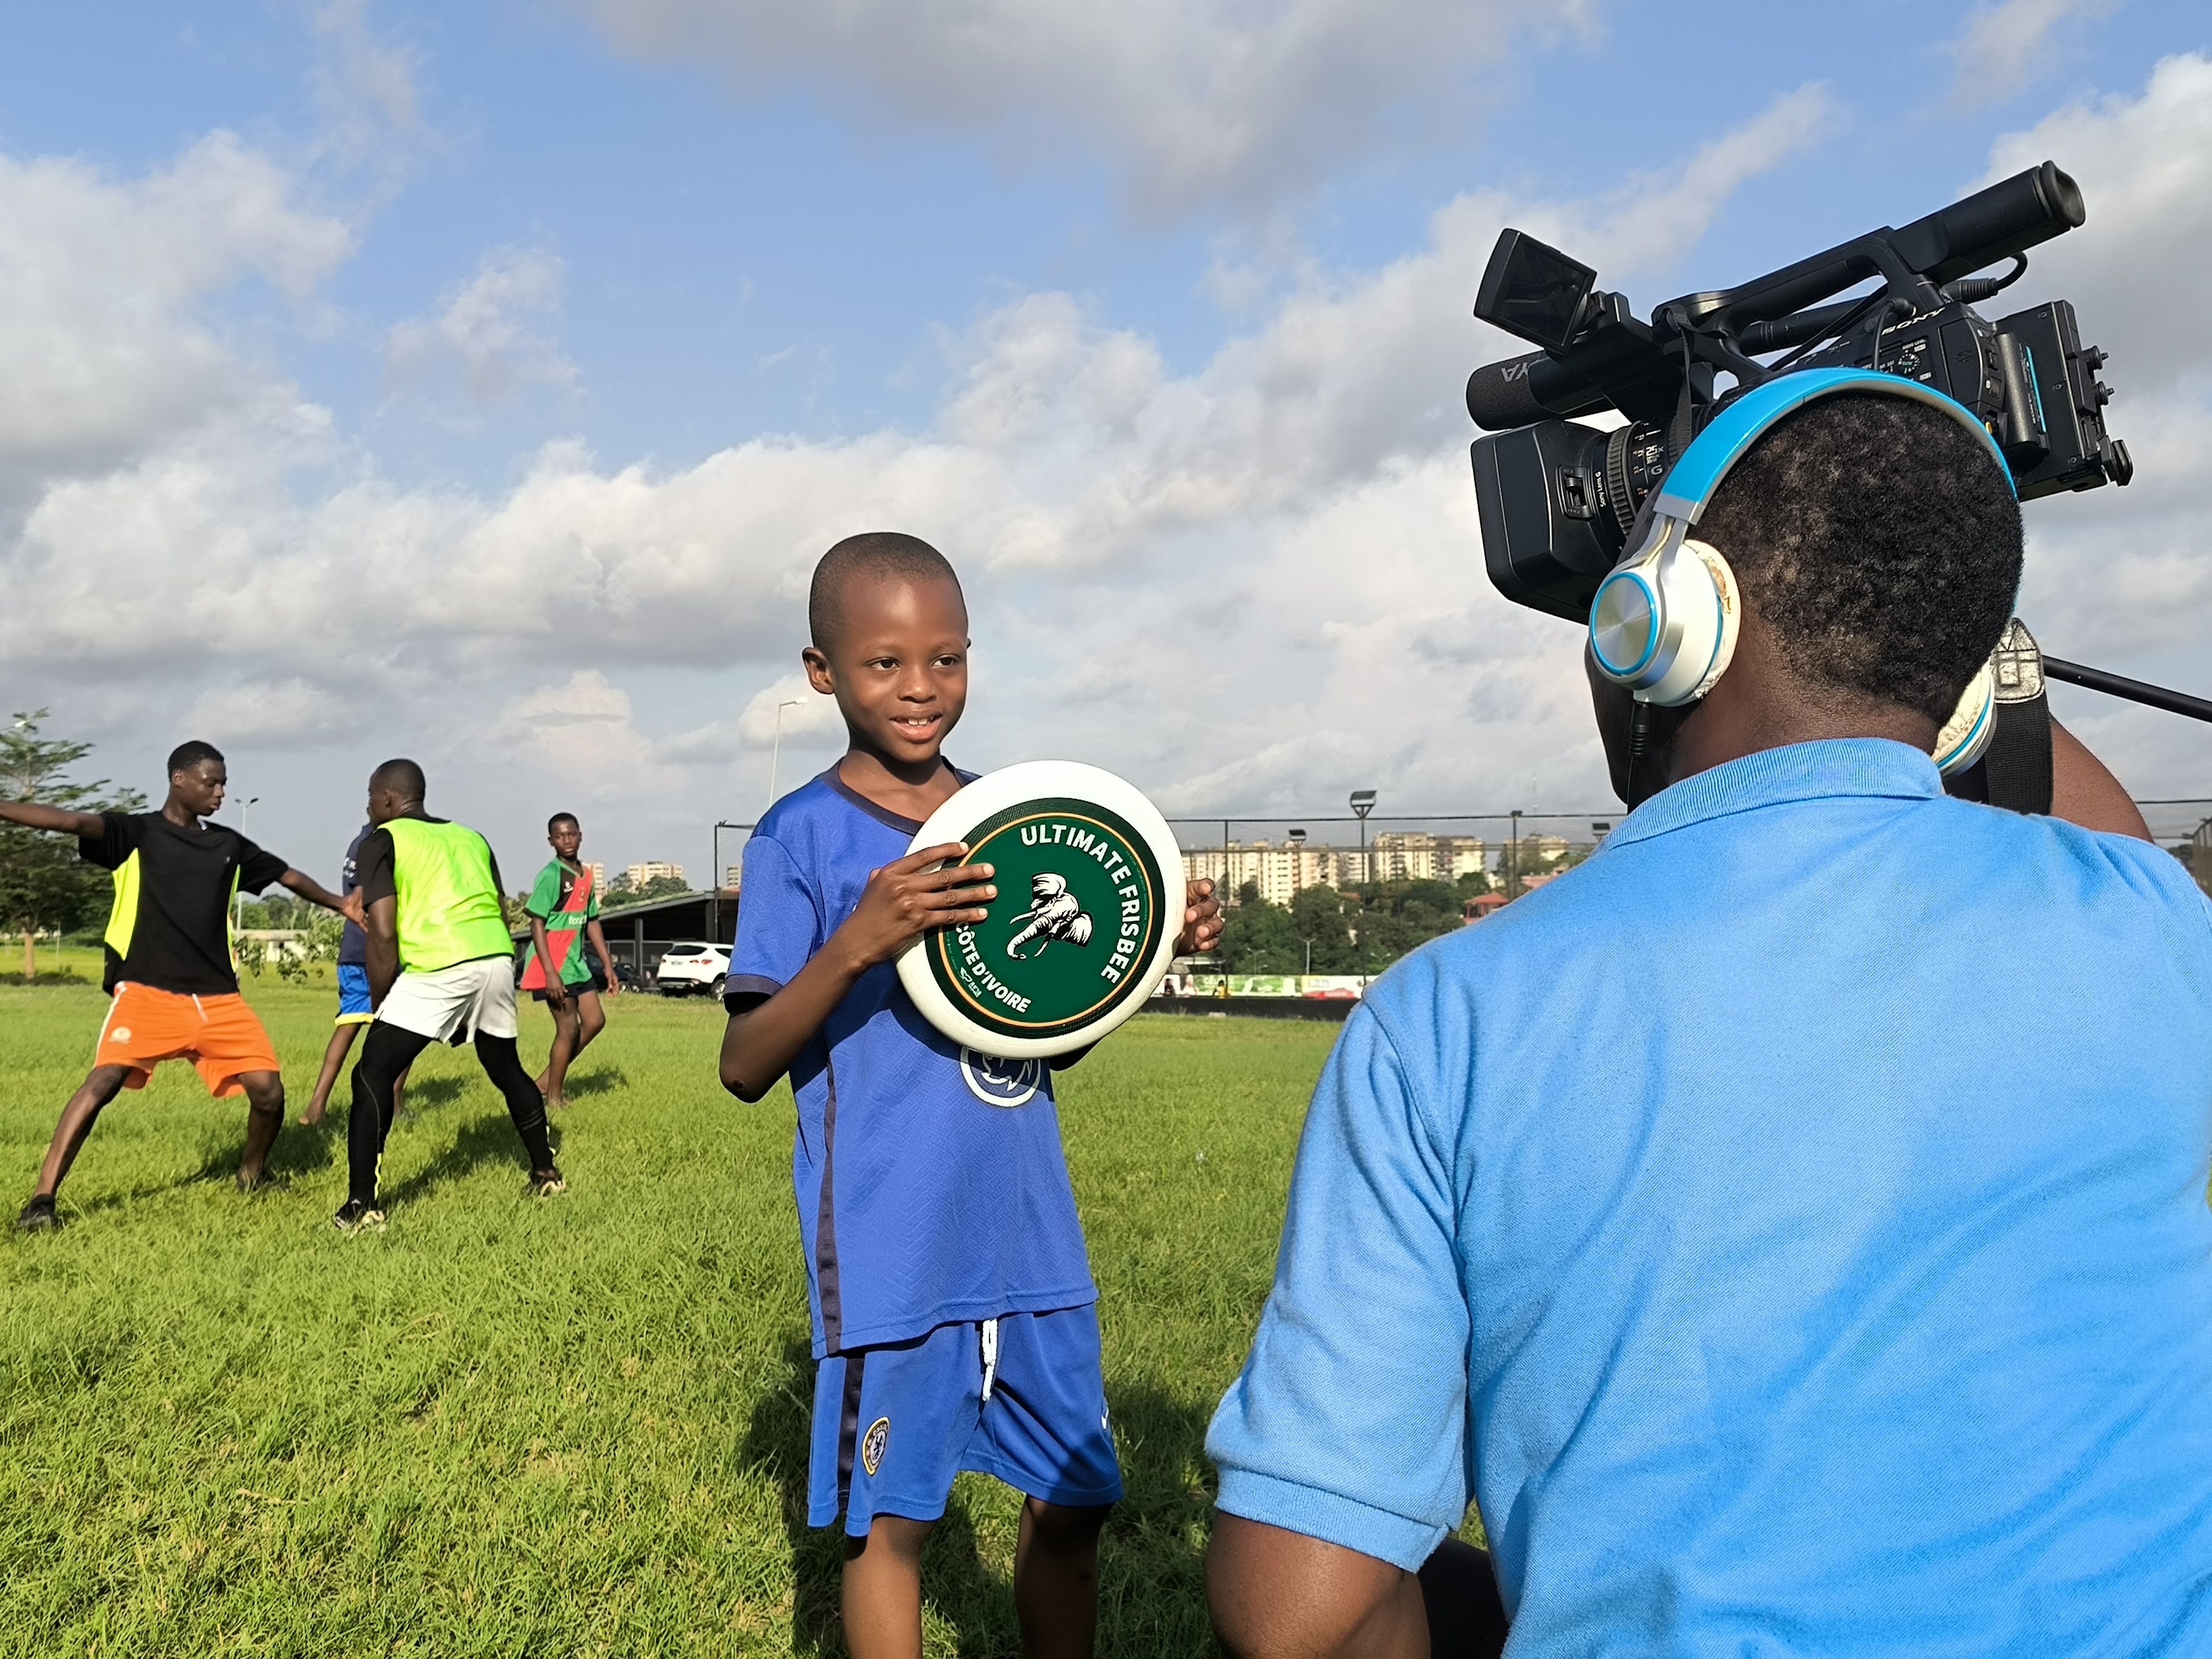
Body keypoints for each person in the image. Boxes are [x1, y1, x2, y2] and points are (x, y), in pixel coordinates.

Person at [1204, 386, 2212, 1657]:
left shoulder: (1448, 1014)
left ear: (1666, 624)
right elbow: (2098, 830)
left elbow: (1300, 1618)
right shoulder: (2148, 923)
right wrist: (1965, 669)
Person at [717, 532, 1222, 1659]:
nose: (919, 689)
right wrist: (860, 940)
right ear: (820, 672)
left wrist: (1150, 960)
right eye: (885, 663)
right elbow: (745, 1062)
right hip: (893, 1245)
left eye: (944, 660)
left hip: (1028, 1236)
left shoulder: (1010, 819)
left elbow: (1048, 1037)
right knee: (891, 1524)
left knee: (1077, 1499)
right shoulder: (798, 836)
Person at [5, 741, 360, 1231]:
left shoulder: (229, 845)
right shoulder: (137, 832)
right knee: (102, 1082)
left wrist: (338, 904)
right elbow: (69, 821)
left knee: (269, 1092)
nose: (220, 792)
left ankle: (252, 1175)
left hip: (218, 999)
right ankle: (42, 1200)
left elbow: (288, 875)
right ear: (179, 780)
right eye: (210, 783)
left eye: (223, 783)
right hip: (148, 992)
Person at [335, 758, 564, 1233]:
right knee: (504, 1066)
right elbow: (499, 906)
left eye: (371, 798)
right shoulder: (471, 837)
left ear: (389, 800)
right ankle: (546, 1172)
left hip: (440, 965)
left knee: (371, 1072)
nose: (369, 806)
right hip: (496, 957)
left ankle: (361, 1207)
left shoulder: (383, 839)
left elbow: (380, 934)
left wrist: (383, 1007)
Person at [299, 822, 408, 1127]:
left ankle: (317, 1105)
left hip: (353, 950)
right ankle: (395, 1103)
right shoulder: (385, 844)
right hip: (383, 949)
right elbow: (372, 897)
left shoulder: (358, 843)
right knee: (405, 1026)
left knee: (348, 1024)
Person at [522, 812, 619, 1109]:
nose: (567, 840)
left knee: (595, 1021)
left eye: (571, 834)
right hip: (552, 965)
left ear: (580, 836)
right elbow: (536, 923)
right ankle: (553, 1097)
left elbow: (591, 921)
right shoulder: (551, 876)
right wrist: (551, 973)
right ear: (551, 841)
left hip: (576, 964)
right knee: (568, 1029)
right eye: (560, 836)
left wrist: (607, 964)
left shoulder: (587, 876)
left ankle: (545, 1082)